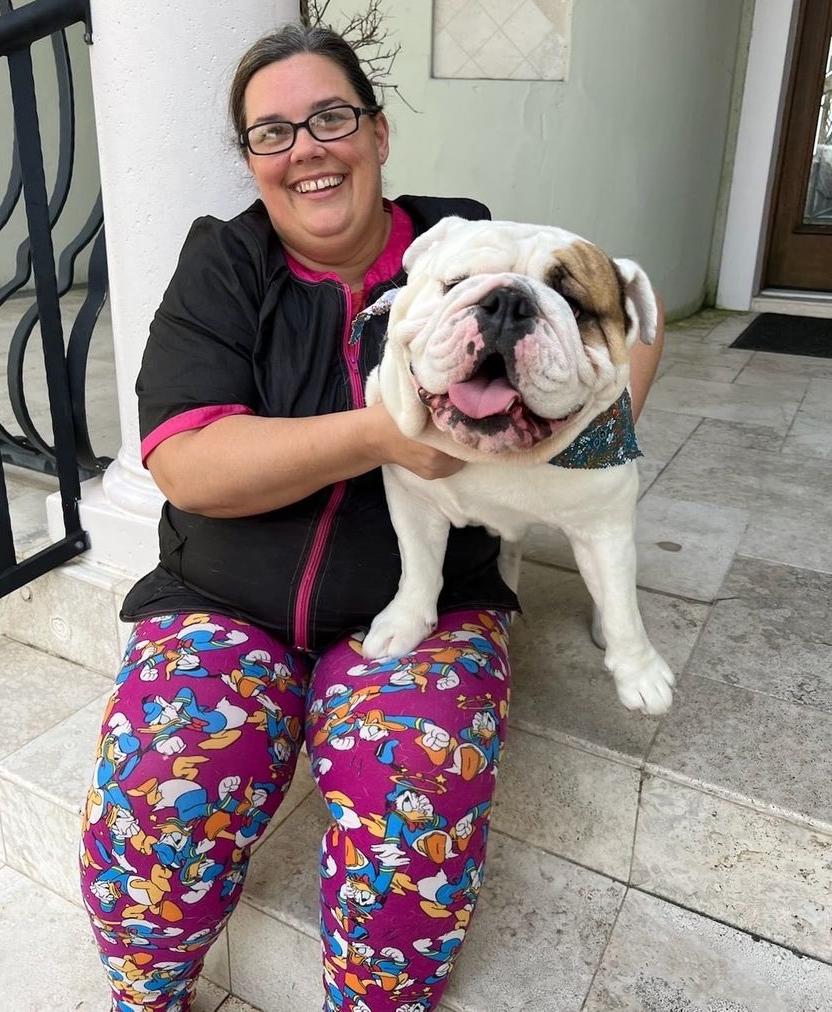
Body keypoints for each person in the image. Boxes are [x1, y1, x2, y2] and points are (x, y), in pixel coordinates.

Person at [78, 23, 663, 1012]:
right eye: (271, 132)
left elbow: (619, 332)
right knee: (158, 789)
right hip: (224, 595)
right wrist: (383, 433)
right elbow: (186, 462)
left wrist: (571, 420)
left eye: (330, 117)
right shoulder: (223, 267)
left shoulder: (465, 242)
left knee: (416, 788)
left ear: (378, 134)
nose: (304, 146)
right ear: (253, 160)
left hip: (427, 600)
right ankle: (144, 997)